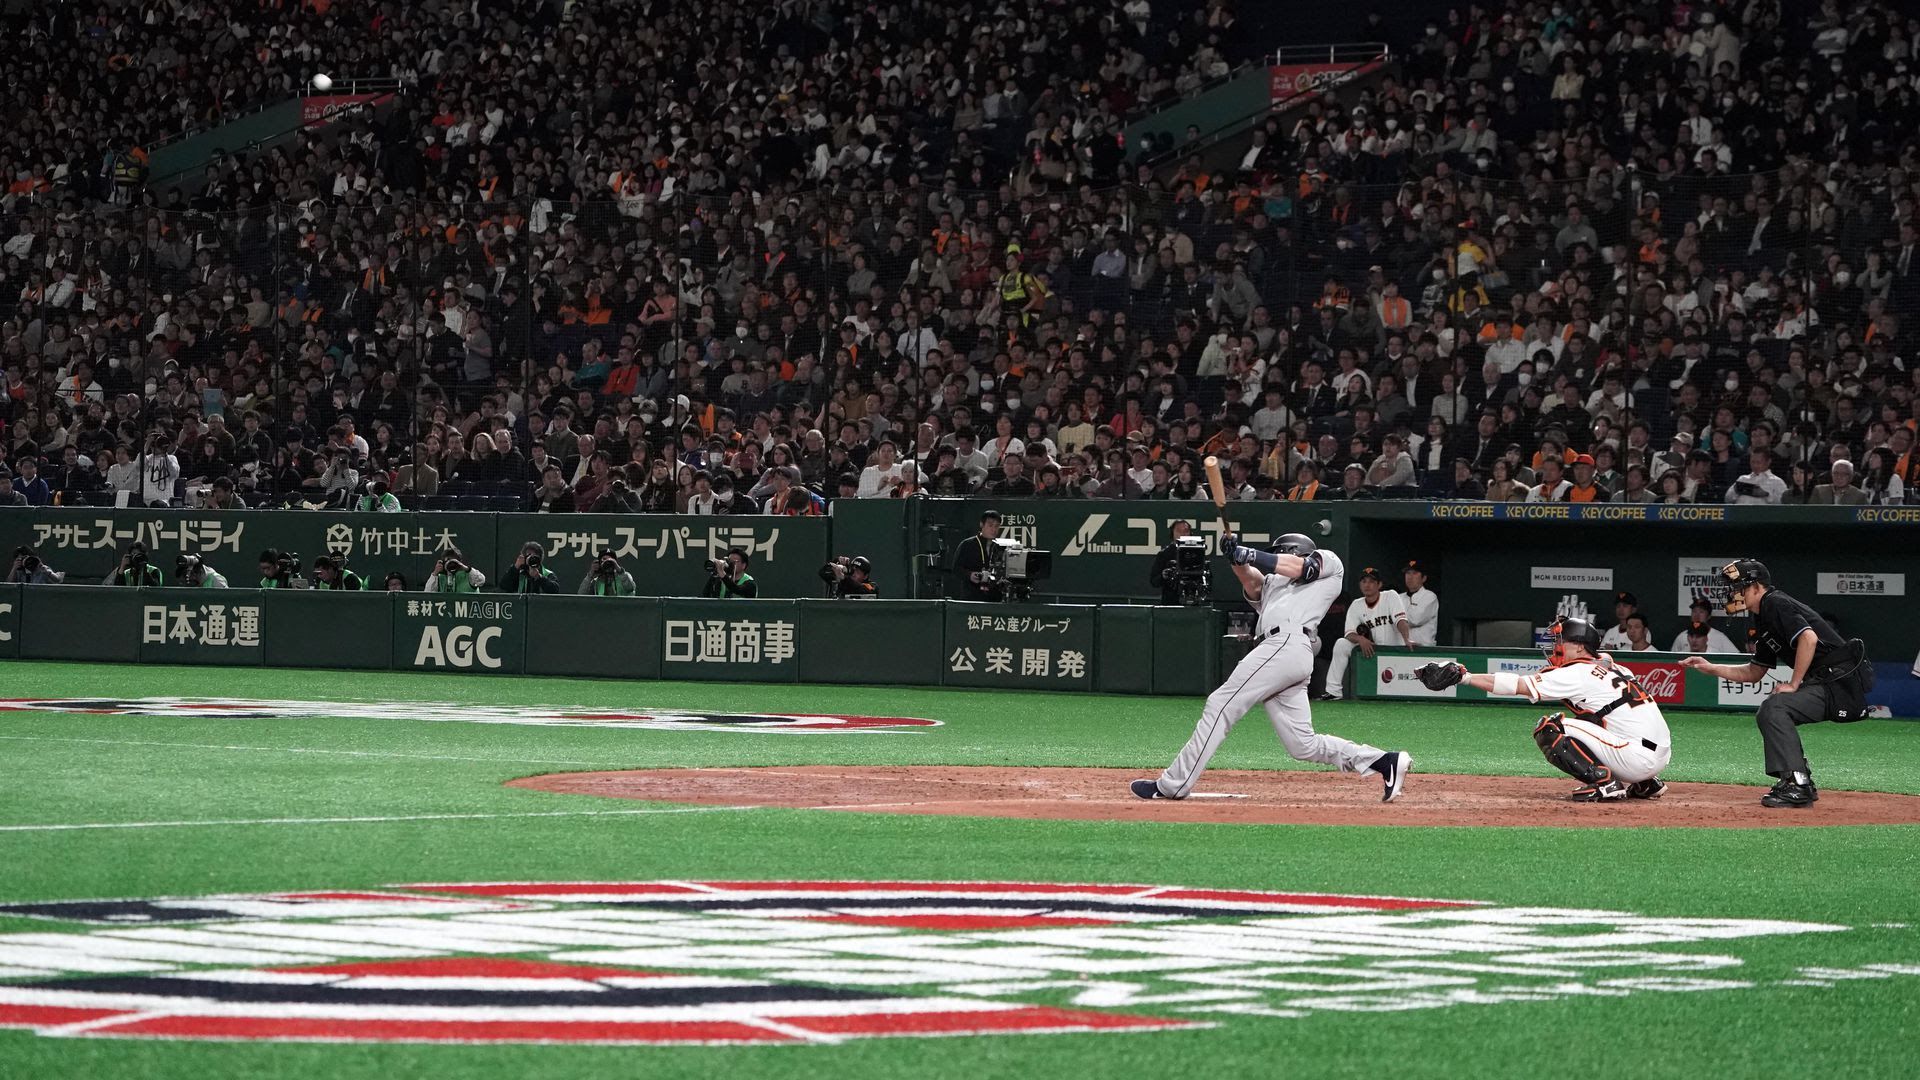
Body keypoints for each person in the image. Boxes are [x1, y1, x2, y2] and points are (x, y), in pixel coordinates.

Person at [1131, 533, 1410, 802]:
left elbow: (1301, 568)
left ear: (1293, 550)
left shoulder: (1328, 562)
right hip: (1281, 652)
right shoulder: (1274, 584)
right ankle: (1384, 761)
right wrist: (1235, 557)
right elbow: (1252, 582)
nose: (1274, 559)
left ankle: (1174, 784)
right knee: (1303, 745)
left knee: (1220, 704)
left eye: (1279, 553)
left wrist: (1250, 554)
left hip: (1286, 643)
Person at [1681, 559, 1875, 808]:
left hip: (1838, 682)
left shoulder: (1774, 602)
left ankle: (1798, 784)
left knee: (1775, 708)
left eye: (1738, 587)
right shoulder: (1762, 616)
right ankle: (1798, 778)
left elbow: (1808, 638)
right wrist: (1711, 668)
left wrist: (1794, 684)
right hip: (1827, 680)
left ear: (1756, 587)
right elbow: (1754, 672)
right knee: (1771, 710)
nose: (1732, 593)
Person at [1436, 617, 1672, 801]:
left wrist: (1464, 677)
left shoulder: (1578, 672)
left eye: (1562, 641)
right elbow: (1603, 662)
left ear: (1579, 647)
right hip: (1657, 755)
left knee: (1550, 727)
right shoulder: (1616, 668)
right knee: (1592, 719)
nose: (1556, 646)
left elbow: (1517, 685)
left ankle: (1605, 784)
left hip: (1635, 758)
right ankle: (1646, 783)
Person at [1321, 566, 1411, 700]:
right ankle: (1333, 692)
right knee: (1342, 644)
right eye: (1364, 581)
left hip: (1393, 652)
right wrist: (1360, 639)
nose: (1367, 585)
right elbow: (1349, 633)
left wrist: (1407, 639)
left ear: (1379, 584)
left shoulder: (1390, 596)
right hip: (1372, 651)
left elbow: (1401, 620)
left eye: (1371, 581)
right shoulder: (1356, 605)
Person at [950, 509, 1005, 601]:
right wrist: (969, 575)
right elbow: (956, 568)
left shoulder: (1001, 547)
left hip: (995, 597)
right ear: (981, 524)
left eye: (996, 526)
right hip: (972, 596)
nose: (994, 529)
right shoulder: (967, 544)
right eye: (990, 525)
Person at [1149, 519, 1197, 605]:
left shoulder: (1197, 553)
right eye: (1179, 531)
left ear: (1190, 533)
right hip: (1170, 602)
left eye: (1186, 531)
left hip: (1192, 602)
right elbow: (1154, 581)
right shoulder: (1164, 554)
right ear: (1172, 533)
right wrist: (1163, 576)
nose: (1183, 534)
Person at [1668, 600, 1737, 652]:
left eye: (1701, 612)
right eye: (1694, 611)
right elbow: (1672, 659)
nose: (1697, 615)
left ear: (1709, 616)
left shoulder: (1719, 637)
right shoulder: (1682, 636)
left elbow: (1736, 658)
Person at [1399, 560, 1439, 646]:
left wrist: (1397, 618)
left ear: (1424, 578)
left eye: (1415, 573)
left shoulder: (1429, 596)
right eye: (1408, 573)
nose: (1410, 577)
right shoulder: (1399, 597)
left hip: (1423, 649)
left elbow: (1415, 619)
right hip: (1402, 647)